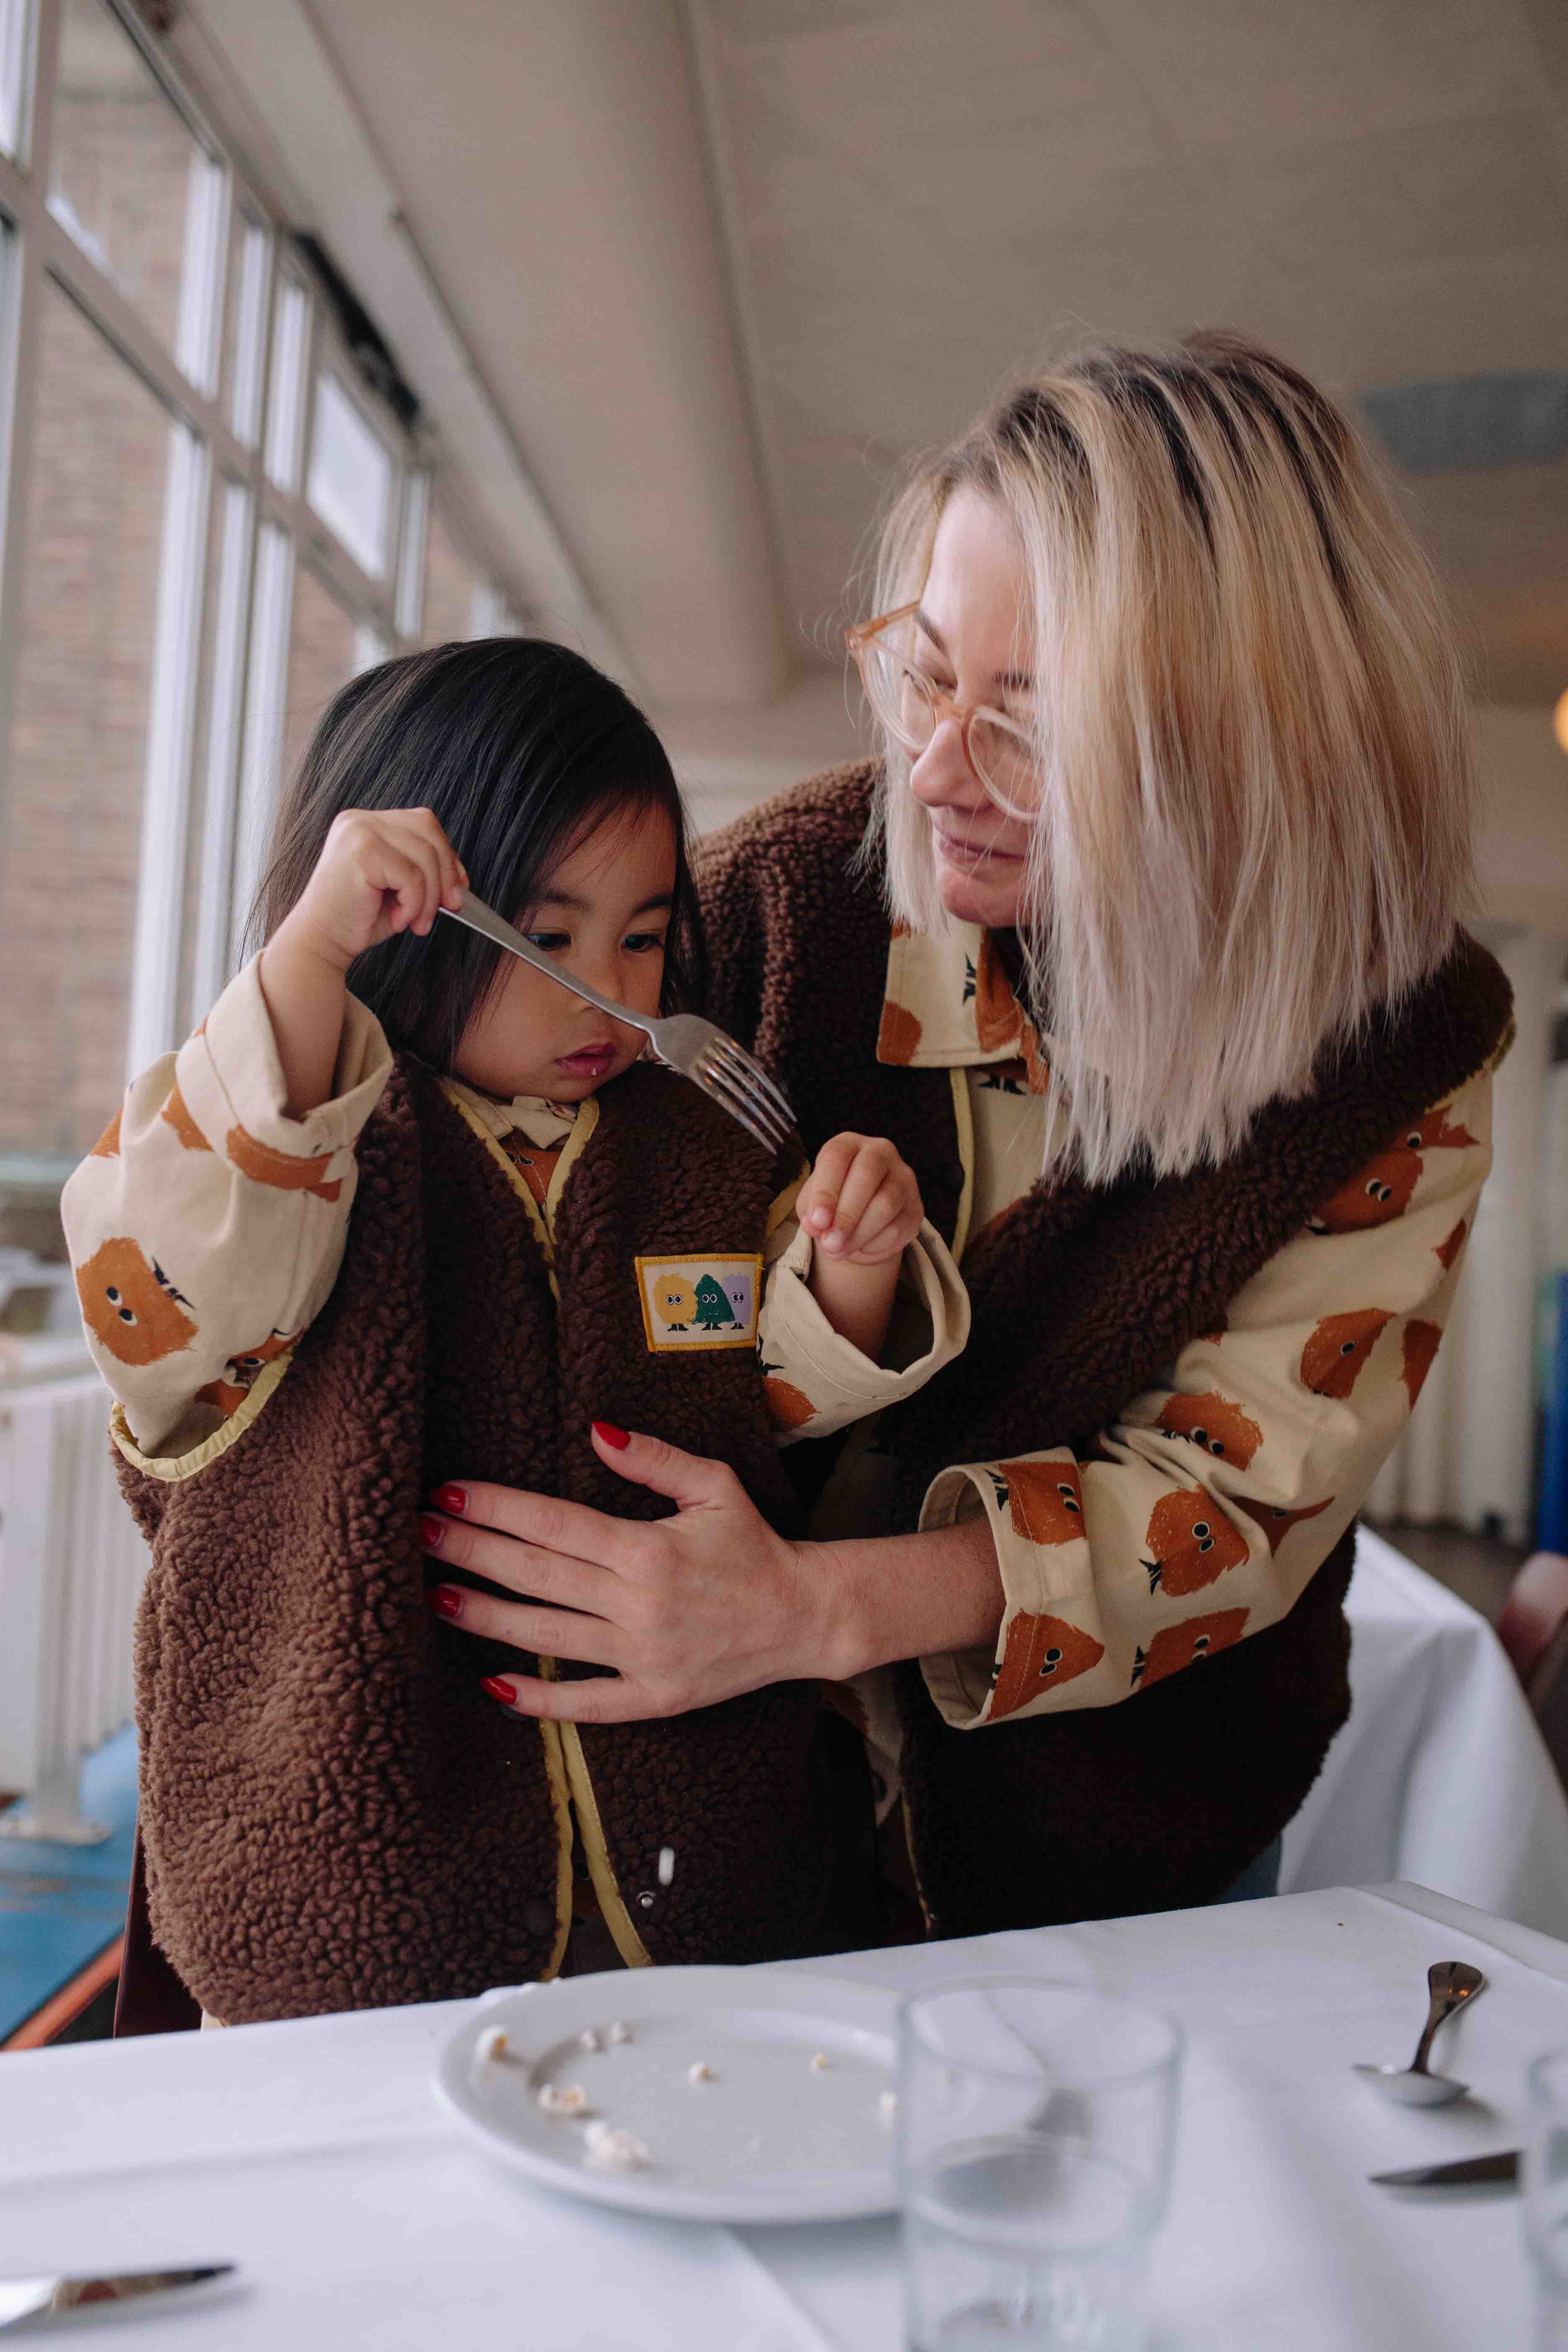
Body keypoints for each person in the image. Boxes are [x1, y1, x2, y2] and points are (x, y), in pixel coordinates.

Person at [415, 333, 1511, 1933]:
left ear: (1248, 753)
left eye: (1028, 717)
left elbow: (1229, 1505)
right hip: (724, 1814)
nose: (932, 768)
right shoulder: (768, 913)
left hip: (1128, 1833)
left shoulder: (1401, 1038)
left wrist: (804, 1608)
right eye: (928, 672)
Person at [63, 638, 967, 2024]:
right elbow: (175, 1303)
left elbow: (763, 1394)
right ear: (400, 917)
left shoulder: (695, 1146)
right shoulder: (305, 1134)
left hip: (688, 1839)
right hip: (362, 1849)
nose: (603, 988)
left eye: (645, 935)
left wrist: (856, 1266)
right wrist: (309, 957)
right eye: (542, 939)